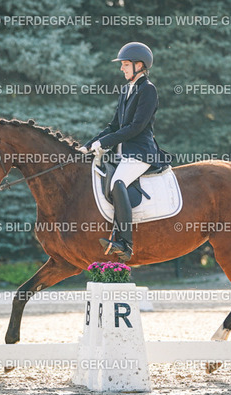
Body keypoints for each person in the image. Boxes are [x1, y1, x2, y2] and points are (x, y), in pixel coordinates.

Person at [80, 42, 170, 262]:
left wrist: (103, 143)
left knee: (117, 182)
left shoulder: (148, 90)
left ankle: (125, 243)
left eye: (126, 64)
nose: (121, 68)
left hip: (140, 153)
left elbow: (135, 127)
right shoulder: (126, 90)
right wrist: (88, 145)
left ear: (140, 65)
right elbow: (114, 126)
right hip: (122, 154)